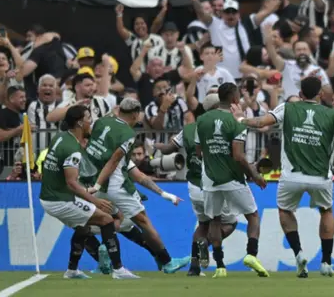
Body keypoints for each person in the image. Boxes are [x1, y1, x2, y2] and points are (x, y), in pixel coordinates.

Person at [240, 76, 334, 278]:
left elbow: (260, 122)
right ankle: (326, 262)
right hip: (321, 177)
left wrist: (240, 119)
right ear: (320, 95)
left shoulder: (287, 108)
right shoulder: (332, 114)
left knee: (285, 211)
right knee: (326, 211)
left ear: (300, 94)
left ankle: (298, 253)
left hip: (291, 176)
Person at [86, 98, 190, 274]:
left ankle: (104, 251)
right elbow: (114, 161)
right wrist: (98, 184)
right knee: (144, 222)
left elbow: (135, 172)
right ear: (135, 114)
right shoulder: (127, 134)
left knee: (115, 220)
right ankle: (167, 262)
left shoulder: (102, 123)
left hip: (93, 182)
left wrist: (164, 194)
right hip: (114, 186)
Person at [39, 105, 138, 280]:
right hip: (59, 199)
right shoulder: (72, 149)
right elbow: (71, 183)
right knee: (106, 220)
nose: (91, 122)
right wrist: (95, 200)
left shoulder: (60, 137)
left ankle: (72, 271)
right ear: (79, 123)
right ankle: (118, 269)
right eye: (88, 118)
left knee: (83, 228)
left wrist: (86, 191)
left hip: (52, 195)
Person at [155, 93, 239, 277]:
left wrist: (156, 146)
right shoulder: (225, 125)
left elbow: (168, 149)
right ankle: (208, 247)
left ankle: (194, 267)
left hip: (194, 185)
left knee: (202, 224)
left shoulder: (189, 128)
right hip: (214, 184)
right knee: (229, 223)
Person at [194, 82, 269, 278]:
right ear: (235, 99)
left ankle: (220, 266)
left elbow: (198, 151)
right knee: (252, 215)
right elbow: (238, 155)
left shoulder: (201, 120)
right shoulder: (237, 121)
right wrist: (254, 175)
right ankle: (251, 254)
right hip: (232, 178)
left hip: (209, 179)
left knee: (215, 220)